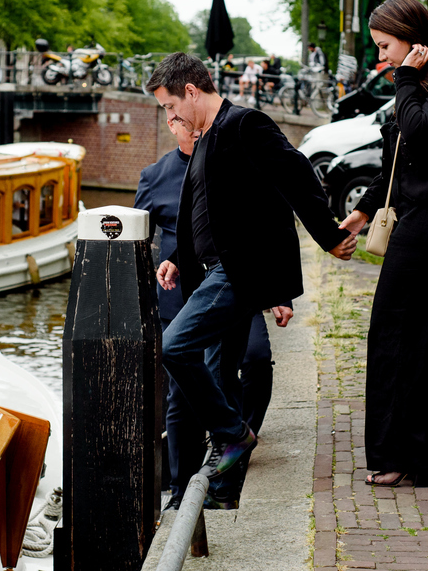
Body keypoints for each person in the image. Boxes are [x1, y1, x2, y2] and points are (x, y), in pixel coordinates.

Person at [148, 52, 356, 482]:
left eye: (170, 106)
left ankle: (234, 434)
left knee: (173, 347)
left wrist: (329, 236)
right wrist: (179, 259)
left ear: (191, 91)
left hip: (238, 270)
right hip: (216, 270)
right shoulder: (206, 137)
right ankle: (225, 486)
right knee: (220, 374)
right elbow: (210, 212)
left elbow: (296, 174)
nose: (170, 117)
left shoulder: (245, 124)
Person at [337, 0, 428, 488]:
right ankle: (409, 455)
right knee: (398, 336)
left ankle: (407, 455)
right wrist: (360, 214)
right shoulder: (415, 83)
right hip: (417, 220)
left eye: (385, 46)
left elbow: (419, 134)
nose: (382, 57)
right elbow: (396, 166)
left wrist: (404, 79)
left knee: (414, 337)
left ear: (411, 36)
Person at [136, 118, 277, 509]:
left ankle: (232, 458)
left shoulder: (228, 160)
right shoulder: (155, 176)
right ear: (171, 123)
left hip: (231, 288)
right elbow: (140, 241)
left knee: (252, 361)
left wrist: (279, 293)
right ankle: (180, 492)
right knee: (180, 398)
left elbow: (258, 222)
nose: (193, 128)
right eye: (176, 117)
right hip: (179, 299)